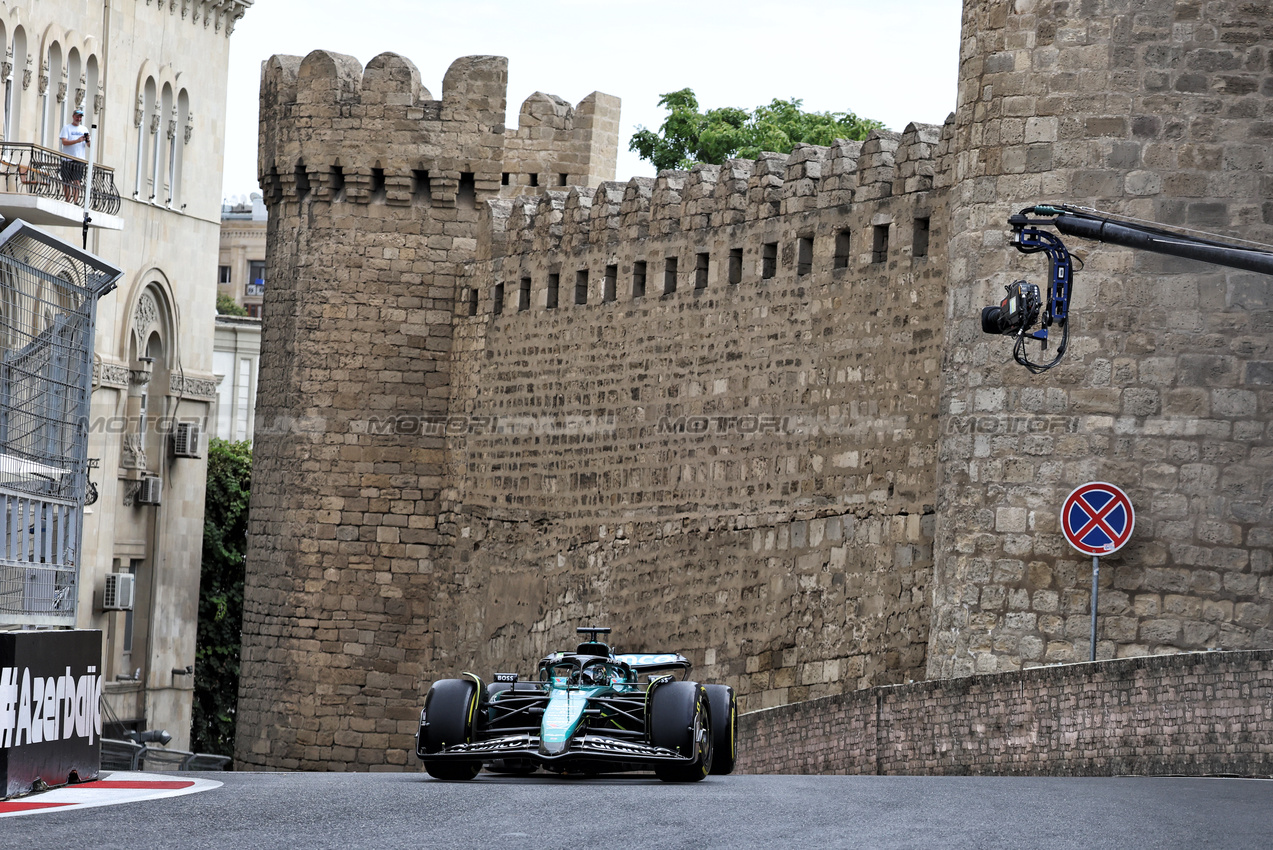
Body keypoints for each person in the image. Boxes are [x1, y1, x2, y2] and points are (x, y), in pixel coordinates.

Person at [58, 107, 90, 202]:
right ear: (73, 116)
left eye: (80, 117)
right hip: (67, 158)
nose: (79, 119)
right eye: (77, 117)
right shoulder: (67, 128)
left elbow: (89, 145)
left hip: (79, 159)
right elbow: (64, 142)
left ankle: (75, 201)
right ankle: (67, 199)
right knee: (66, 181)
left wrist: (87, 139)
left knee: (77, 181)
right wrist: (77, 140)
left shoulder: (84, 129)